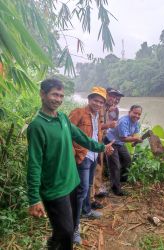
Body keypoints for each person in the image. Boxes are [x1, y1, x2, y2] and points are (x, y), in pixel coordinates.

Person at [27, 79, 114, 250]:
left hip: (72, 182)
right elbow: (34, 163)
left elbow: (82, 138)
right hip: (54, 188)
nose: (58, 99)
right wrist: (34, 198)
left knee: (69, 224)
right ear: (42, 94)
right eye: (54, 94)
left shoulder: (63, 118)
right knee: (67, 233)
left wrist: (101, 146)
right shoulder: (37, 126)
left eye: (61, 96)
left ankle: (52, 244)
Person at [68, 87, 108, 244]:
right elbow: (67, 132)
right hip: (82, 156)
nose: (98, 104)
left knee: (88, 186)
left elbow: (96, 136)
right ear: (89, 99)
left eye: (101, 102)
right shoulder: (78, 112)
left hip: (93, 156)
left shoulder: (98, 116)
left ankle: (86, 211)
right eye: (95, 100)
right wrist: (75, 152)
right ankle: (74, 228)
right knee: (81, 190)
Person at [105, 105, 143, 196]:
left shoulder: (136, 122)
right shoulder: (124, 121)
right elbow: (123, 138)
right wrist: (136, 139)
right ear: (129, 112)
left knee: (127, 160)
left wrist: (137, 138)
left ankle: (121, 179)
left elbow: (135, 134)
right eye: (135, 113)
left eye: (139, 114)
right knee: (115, 165)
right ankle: (115, 188)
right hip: (111, 141)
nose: (137, 116)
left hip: (120, 143)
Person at [93, 88, 124, 199]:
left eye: (116, 97)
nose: (114, 99)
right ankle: (92, 194)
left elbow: (111, 124)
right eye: (111, 96)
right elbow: (94, 126)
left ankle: (96, 190)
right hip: (93, 141)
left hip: (102, 139)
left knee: (99, 165)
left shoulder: (109, 109)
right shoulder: (99, 108)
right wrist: (108, 126)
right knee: (94, 165)